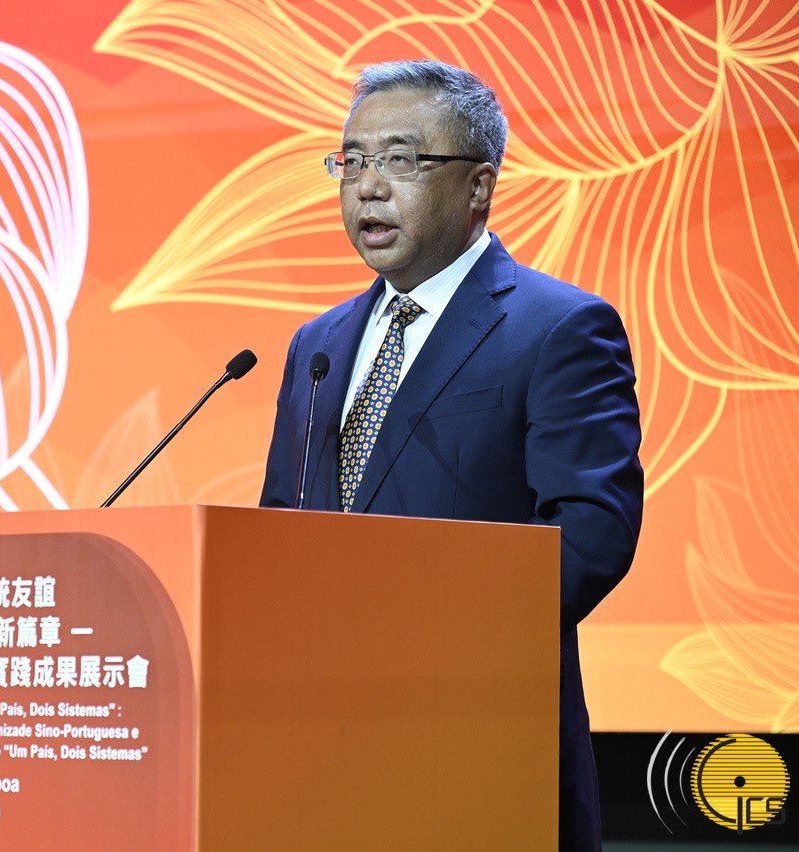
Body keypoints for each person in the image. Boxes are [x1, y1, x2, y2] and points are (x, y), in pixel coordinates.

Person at [259, 59, 643, 850]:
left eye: (400, 160)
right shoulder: (317, 344)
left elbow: (589, 535)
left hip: (478, 740)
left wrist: (420, 642)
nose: (368, 187)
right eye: (351, 161)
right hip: (314, 750)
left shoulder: (558, 328)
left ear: (479, 185)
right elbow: (279, 528)